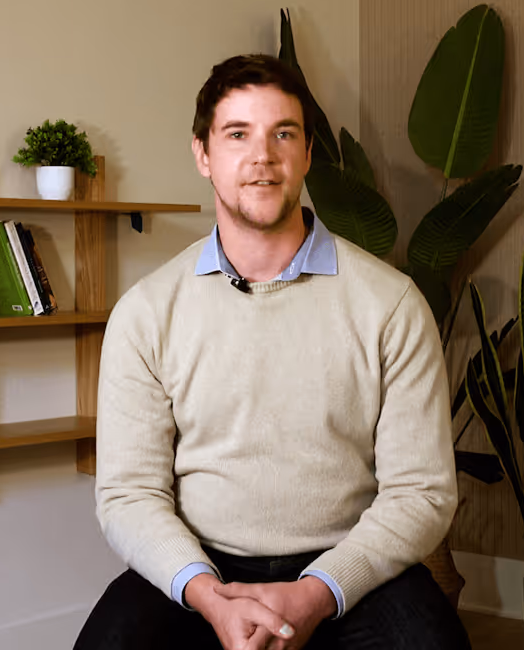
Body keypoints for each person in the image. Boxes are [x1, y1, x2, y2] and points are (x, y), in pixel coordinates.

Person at [74, 54, 471, 650]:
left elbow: (422, 493)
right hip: (202, 571)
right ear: (203, 154)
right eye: (238, 134)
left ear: (308, 153)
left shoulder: (390, 305)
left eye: (283, 133)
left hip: (352, 570)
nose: (262, 155)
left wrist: (315, 593)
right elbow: (130, 495)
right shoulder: (147, 313)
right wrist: (208, 594)